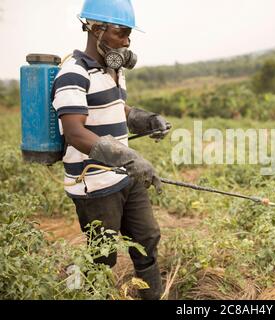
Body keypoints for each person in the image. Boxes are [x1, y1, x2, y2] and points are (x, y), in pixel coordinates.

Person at [51, 0, 171, 300]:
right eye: (122, 32)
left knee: (147, 239)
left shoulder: (113, 68)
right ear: (96, 29)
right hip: (93, 184)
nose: (127, 41)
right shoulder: (73, 73)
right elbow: (75, 131)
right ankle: (74, 287)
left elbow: (116, 109)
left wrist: (145, 120)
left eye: (130, 34)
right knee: (102, 258)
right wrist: (129, 156)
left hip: (124, 177)